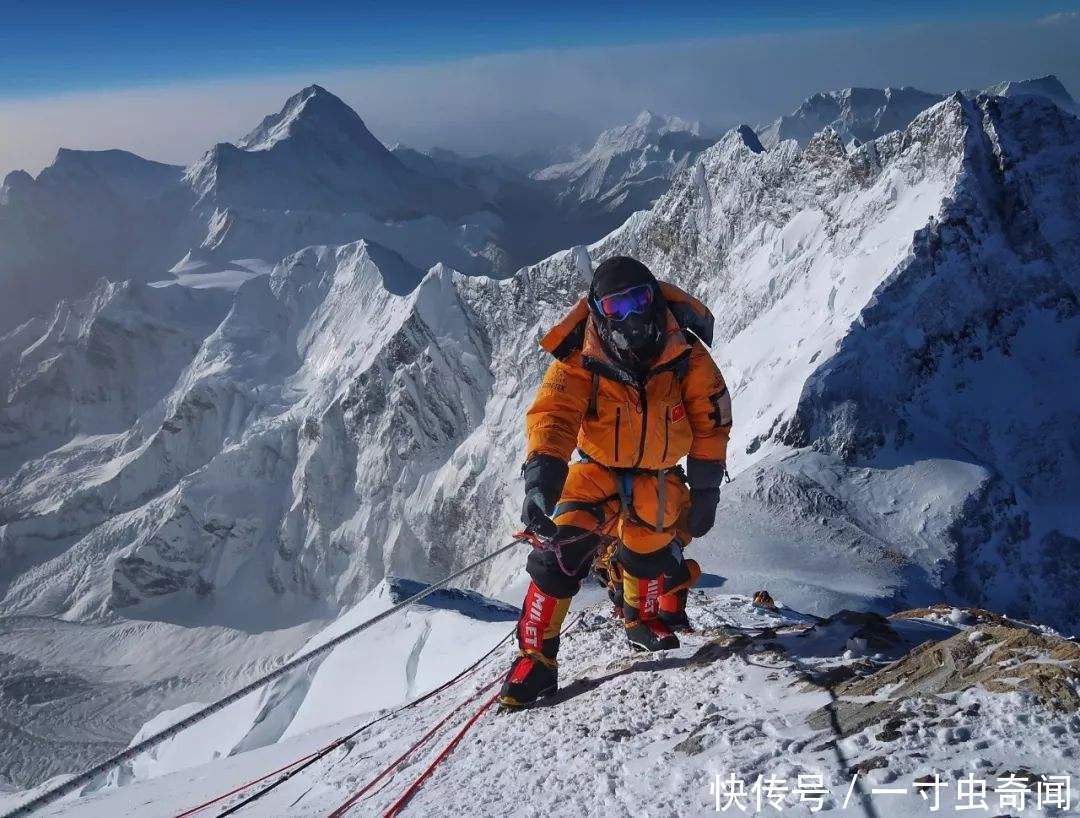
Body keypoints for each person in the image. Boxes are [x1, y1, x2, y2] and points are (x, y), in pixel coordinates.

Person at [499, 256, 732, 709]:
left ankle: (639, 620)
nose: (631, 315)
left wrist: (707, 491)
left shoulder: (686, 355)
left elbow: (711, 423)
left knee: (647, 556)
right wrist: (541, 483)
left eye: (639, 300)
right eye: (615, 307)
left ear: (655, 298)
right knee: (560, 551)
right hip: (596, 469)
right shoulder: (578, 359)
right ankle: (536, 661)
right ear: (597, 313)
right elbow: (554, 418)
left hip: (660, 478)